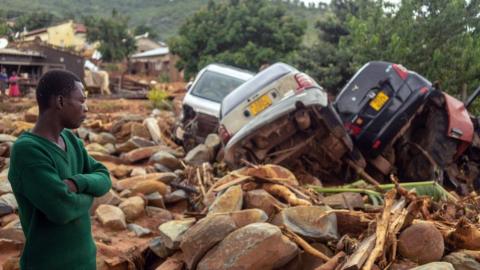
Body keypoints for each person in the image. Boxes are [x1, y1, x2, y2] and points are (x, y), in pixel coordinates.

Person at [8, 69, 112, 270]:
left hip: (85, 261)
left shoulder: (71, 140)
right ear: (60, 102)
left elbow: (105, 176)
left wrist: (76, 183)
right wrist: (91, 194)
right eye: (81, 101)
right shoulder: (28, 150)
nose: (86, 108)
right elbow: (62, 209)